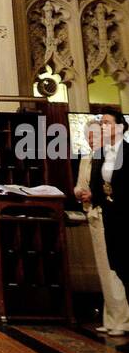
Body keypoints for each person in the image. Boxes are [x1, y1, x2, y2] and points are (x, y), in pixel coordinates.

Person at [76, 107, 129, 336]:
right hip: (102, 214)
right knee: (110, 269)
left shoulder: (120, 153)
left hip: (118, 216)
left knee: (119, 270)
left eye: (107, 123)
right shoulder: (99, 156)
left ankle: (122, 320)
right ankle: (112, 318)